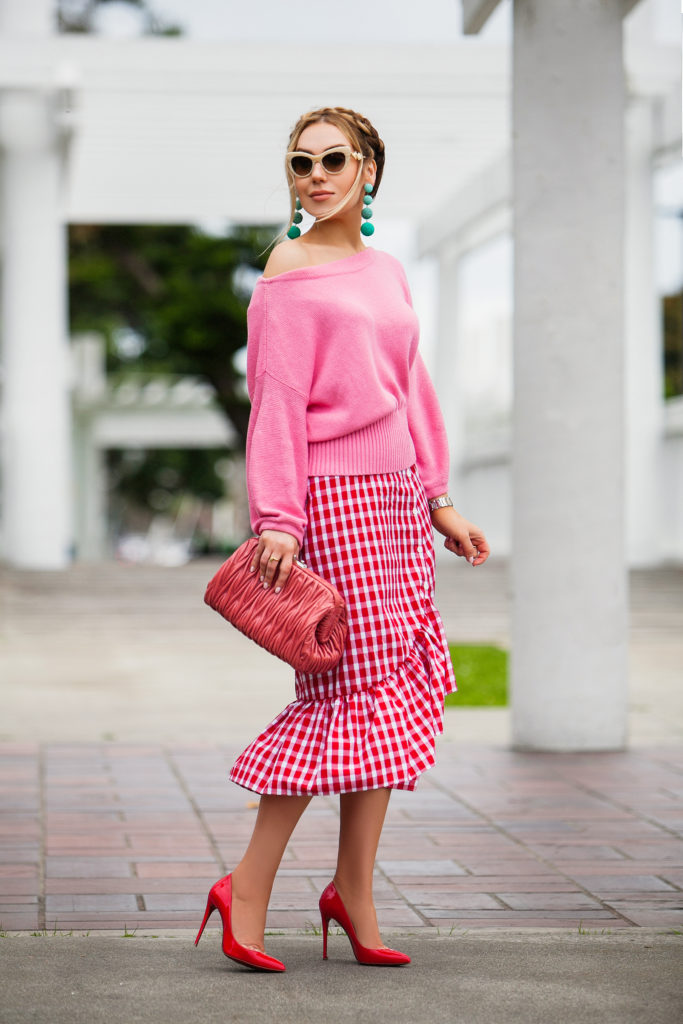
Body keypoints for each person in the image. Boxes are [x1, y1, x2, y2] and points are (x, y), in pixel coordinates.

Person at [195, 106, 490, 972]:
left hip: (397, 503)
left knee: (392, 696)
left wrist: (439, 499)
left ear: (368, 170)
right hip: (332, 505)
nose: (315, 175)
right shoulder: (287, 269)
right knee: (342, 696)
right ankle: (246, 886)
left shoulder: (388, 271)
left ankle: (352, 894)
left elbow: (411, 387)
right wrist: (278, 519)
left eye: (332, 159)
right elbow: (276, 405)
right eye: (299, 162)